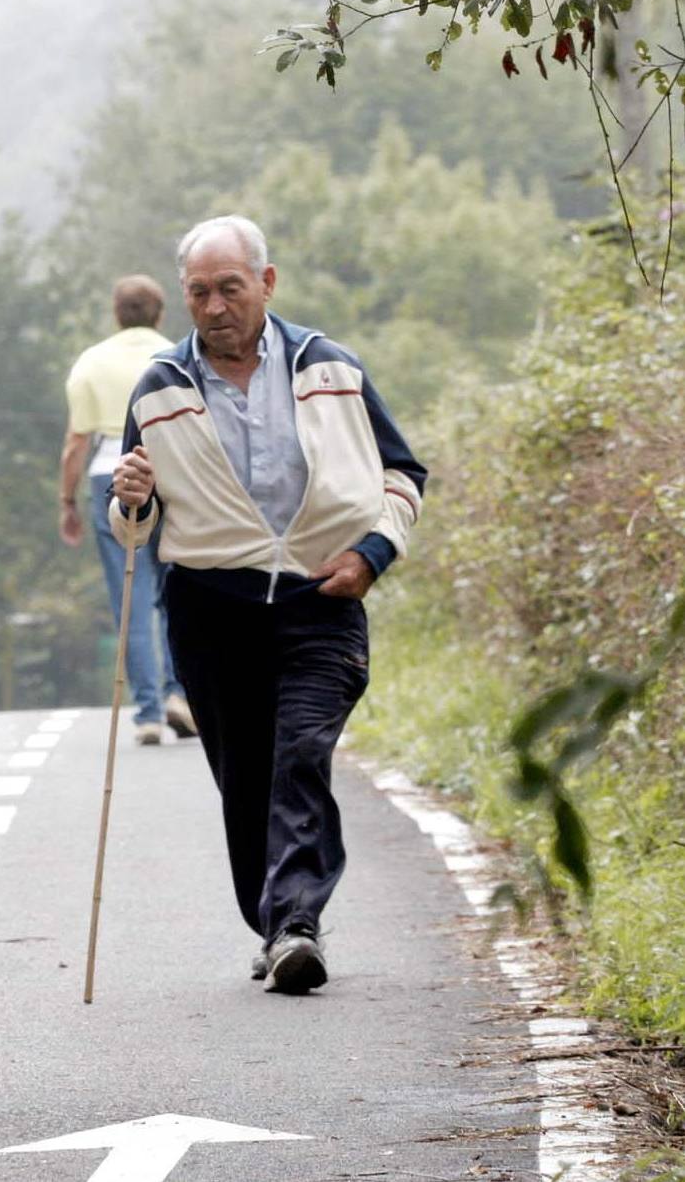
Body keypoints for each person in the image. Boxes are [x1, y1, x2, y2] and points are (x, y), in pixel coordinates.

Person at [110, 215, 426, 994]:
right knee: (246, 774)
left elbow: (403, 474)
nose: (215, 307)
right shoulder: (159, 389)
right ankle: (276, 917)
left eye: (230, 288)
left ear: (267, 283)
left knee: (299, 756)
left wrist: (371, 554)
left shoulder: (333, 369)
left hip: (323, 597)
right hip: (211, 606)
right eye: (199, 293)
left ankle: (294, 924)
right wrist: (131, 501)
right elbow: (135, 529)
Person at [58, 276, 197, 746]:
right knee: (176, 589)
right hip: (174, 474)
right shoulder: (178, 355)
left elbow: (77, 441)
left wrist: (67, 502)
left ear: (117, 314)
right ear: (159, 314)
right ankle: (181, 692)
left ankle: (149, 714)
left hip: (111, 478)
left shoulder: (91, 362)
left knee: (131, 598)